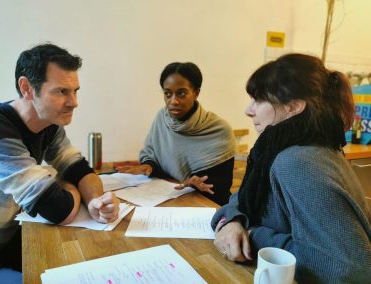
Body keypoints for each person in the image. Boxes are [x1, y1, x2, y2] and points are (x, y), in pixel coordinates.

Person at [212, 53, 371, 283]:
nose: (249, 110)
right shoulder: (287, 148)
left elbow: (352, 271)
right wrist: (232, 221)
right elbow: (246, 197)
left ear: (293, 107)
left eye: (258, 100)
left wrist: (255, 234)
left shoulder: (298, 162)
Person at [0, 43, 120, 283]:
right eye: (62, 92)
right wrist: (65, 182)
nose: (74, 102)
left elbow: (80, 169)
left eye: (76, 91)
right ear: (27, 88)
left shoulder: (49, 124)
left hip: (5, 243)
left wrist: (94, 200)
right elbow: (58, 209)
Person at [117, 62, 235, 205]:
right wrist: (149, 165)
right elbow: (152, 154)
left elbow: (221, 185)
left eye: (181, 93)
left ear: (196, 93)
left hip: (207, 205)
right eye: (167, 93)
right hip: (169, 197)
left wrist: (195, 183)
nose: (173, 101)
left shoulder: (219, 130)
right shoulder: (162, 118)